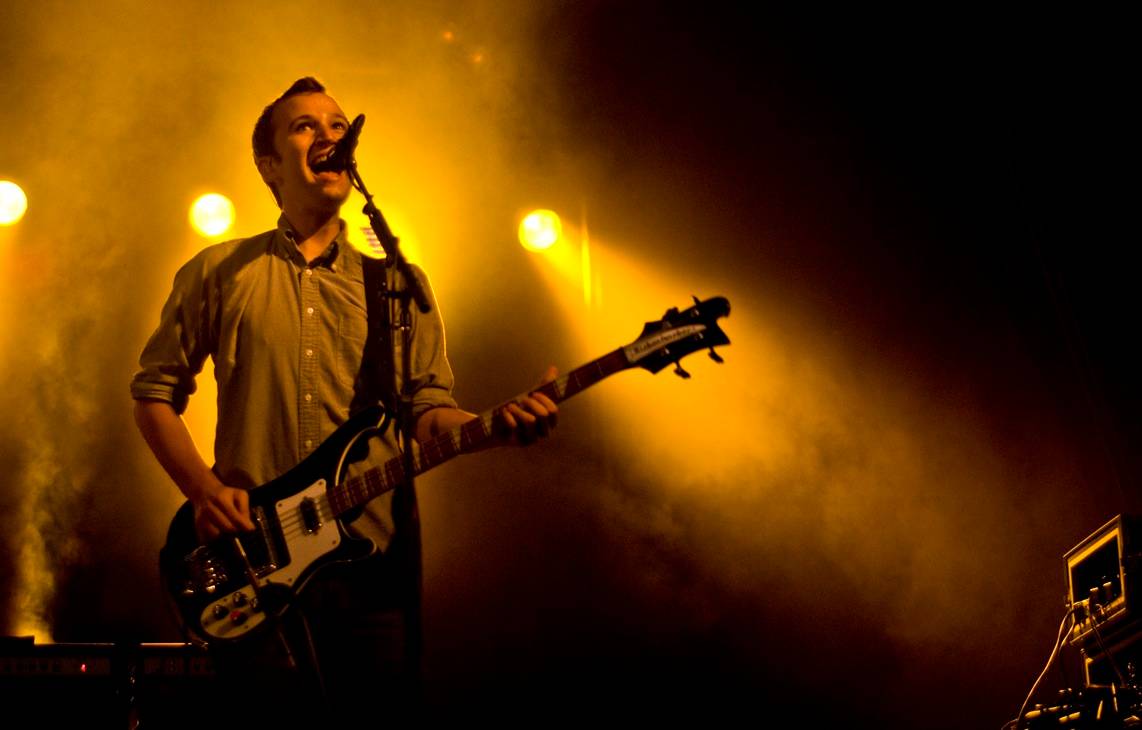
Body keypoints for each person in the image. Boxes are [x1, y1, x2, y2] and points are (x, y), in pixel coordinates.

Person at [131, 76, 557, 726]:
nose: (328, 135)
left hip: (368, 569)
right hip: (253, 560)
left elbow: (427, 411)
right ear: (269, 166)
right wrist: (204, 491)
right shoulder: (218, 272)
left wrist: (489, 426)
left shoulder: (395, 285)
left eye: (336, 125)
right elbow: (154, 395)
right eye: (304, 126)